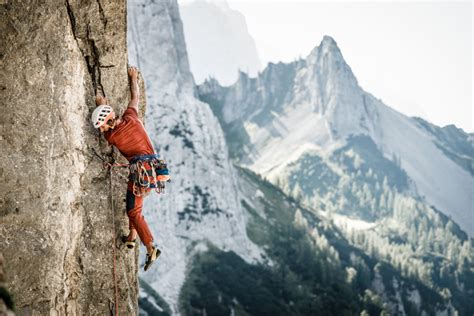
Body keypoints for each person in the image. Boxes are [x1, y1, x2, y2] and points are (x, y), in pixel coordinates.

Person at [91, 66, 161, 271]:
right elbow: (135, 96)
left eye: (102, 125)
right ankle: (132, 236)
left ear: (110, 122)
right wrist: (133, 77)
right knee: (133, 204)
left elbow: (108, 128)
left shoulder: (112, 136)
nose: (102, 130)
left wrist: (100, 103)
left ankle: (150, 247)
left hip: (141, 174)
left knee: (133, 210)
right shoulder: (132, 116)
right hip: (151, 170)